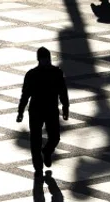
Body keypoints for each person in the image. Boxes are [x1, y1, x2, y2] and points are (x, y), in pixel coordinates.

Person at [17, 47, 70, 175]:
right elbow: (25, 94)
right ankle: (38, 165)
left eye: (47, 59)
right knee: (35, 139)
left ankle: (46, 151)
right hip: (36, 109)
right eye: (44, 59)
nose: (46, 61)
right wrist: (20, 111)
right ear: (39, 60)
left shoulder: (56, 72)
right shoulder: (32, 74)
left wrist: (65, 107)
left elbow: (63, 91)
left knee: (55, 137)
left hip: (51, 109)